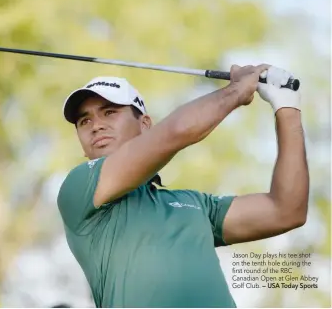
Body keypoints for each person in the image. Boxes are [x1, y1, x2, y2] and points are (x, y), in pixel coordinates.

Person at [56, 64, 309, 308]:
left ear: (145, 124)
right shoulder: (79, 187)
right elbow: (176, 132)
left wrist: (287, 106)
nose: (96, 125)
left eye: (109, 112)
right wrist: (236, 91)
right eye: (84, 121)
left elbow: (286, 210)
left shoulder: (195, 204)